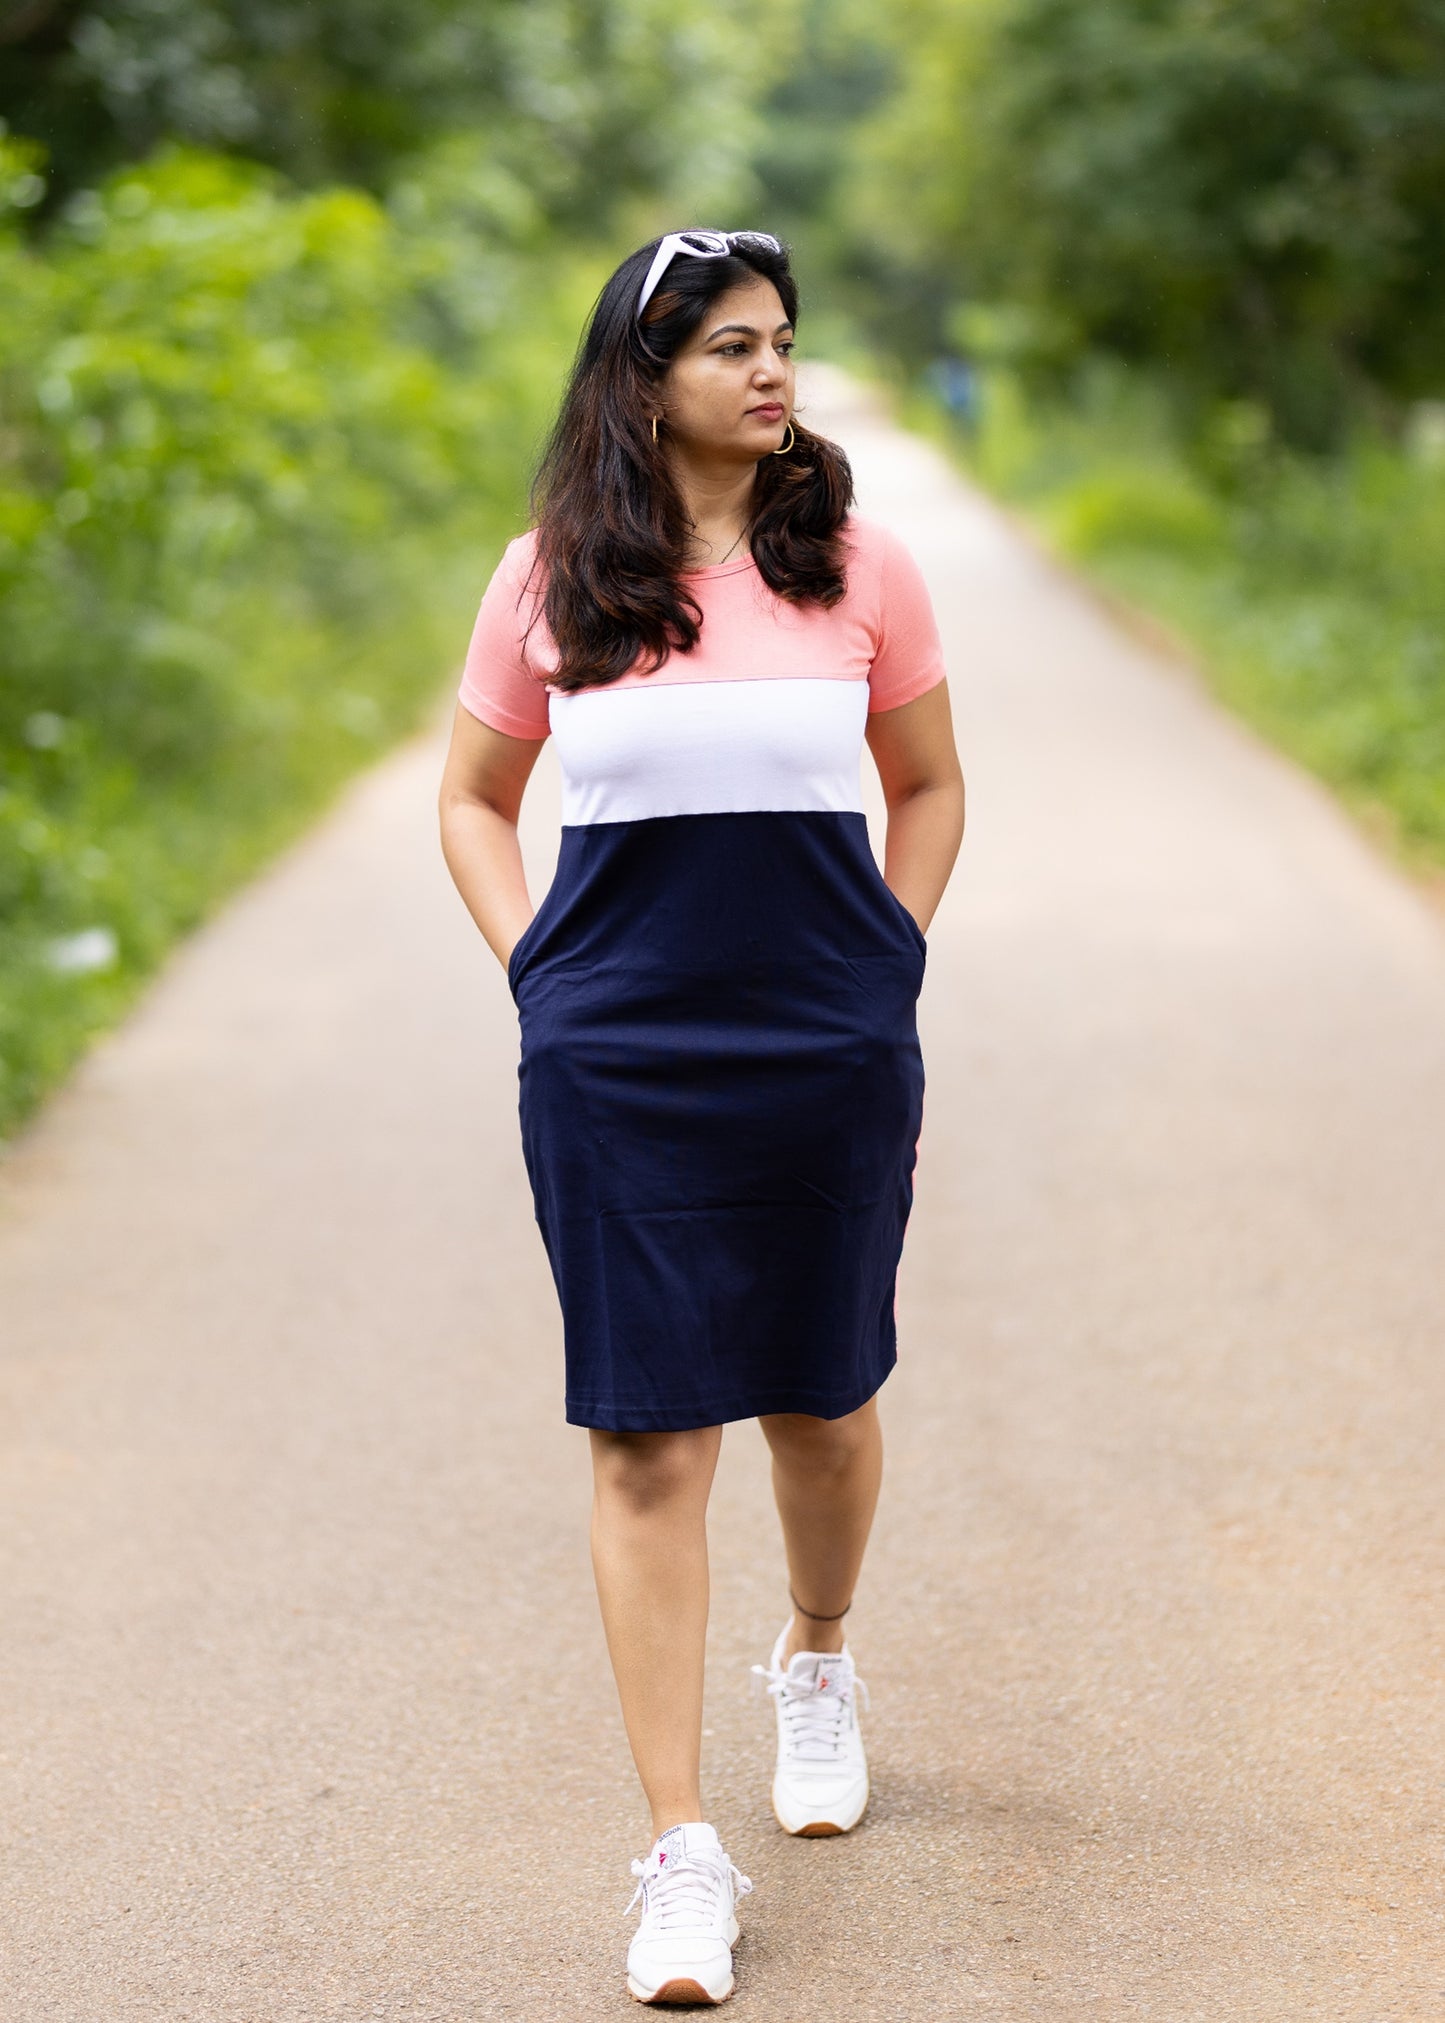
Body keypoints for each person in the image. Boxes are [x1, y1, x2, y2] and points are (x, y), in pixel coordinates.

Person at [437, 227, 965, 2006]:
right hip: (618, 1058)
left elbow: (931, 784)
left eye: (783, 341)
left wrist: (884, 960)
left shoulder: (863, 567)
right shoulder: (550, 580)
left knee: (820, 1399)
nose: (769, 370)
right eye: (729, 343)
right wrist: (544, 985)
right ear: (641, 375)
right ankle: (679, 1850)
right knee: (649, 1435)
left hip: (825, 1044)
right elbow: (470, 802)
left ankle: (814, 1659)